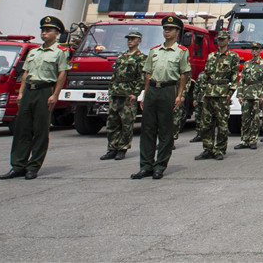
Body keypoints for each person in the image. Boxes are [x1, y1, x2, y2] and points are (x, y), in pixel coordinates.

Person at [0, 16, 70, 180]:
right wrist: (21, 93)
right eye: (43, 30)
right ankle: (18, 165)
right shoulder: (34, 52)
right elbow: (26, 74)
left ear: (57, 33)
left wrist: (55, 95)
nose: (44, 33)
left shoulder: (60, 53)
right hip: (29, 91)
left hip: (45, 92)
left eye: (48, 30)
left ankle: (33, 166)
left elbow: (62, 74)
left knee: (40, 130)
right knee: (21, 129)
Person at [131, 15, 190, 180]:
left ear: (177, 31)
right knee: (147, 129)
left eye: (170, 29)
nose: (167, 31)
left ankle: (160, 166)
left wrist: (180, 95)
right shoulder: (154, 51)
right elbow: (148, 74)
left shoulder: (182, 52)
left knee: (165, 131)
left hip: (168, 90)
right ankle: (145, 166)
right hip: (152, 91)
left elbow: (184, 75)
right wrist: (144, 94)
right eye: (165, 28)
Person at [100, 30, 146, 161]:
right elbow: (115, 76)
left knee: (126, 123)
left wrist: (135, 93)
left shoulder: (140, 58)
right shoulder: (121, 57)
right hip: (116, 93)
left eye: (133, 39)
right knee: (112, 122)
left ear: (139, 41)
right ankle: (112, 148)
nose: (130, 41)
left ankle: (122, 148)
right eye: (128, 39)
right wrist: (110, 91)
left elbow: (141, 78)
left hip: (128, 94)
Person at [194, 31, 240, 160]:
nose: (220, 41)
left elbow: (234, 77)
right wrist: (202, 91)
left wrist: (230, 93)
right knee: (206, 123)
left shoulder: (233, 57)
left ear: (228, 40)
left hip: (222, 93)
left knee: (222, 124)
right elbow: (205, 75)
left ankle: (220, 149)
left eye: (223, 39)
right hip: (209, 93)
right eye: (219, 39)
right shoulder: (211, 56)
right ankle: (207, 148)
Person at [235, 42, 263, 150]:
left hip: (257, 94)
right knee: (245, 118)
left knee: (256, 118)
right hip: (247, 93)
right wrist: (239, 94)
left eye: (256, 49)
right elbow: (242, 80)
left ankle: (253, 140)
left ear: (260, 50)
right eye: (253, 49)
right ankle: (244, 140)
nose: (254, 51)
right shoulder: (247, 64)